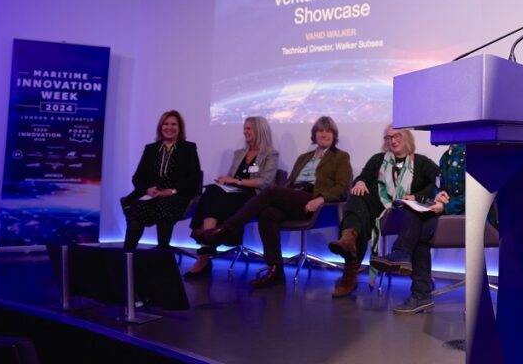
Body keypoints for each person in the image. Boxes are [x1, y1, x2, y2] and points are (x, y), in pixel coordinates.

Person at [194, 116, 352, 288]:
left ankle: (224, 229)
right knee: (267, 214)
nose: (324, 134)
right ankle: (275, 269)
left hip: (315, 200)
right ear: (314, 134)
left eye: (328, 131)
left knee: (271, 190)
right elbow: (291, 183)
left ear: (334, 135)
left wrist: (320, 199)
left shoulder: (341, 157)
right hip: (295, 196)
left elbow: (342, 187)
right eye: (320, 130)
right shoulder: (304, 157)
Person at [328, 125, 439, 298]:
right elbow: (362, 177)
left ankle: (350, 272)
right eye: (388, 138)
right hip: (375, 209)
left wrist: (417, 196)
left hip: (404, 213)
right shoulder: (378, 159)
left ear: (407, 137)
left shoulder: (421, 162)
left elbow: (438, 181)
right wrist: (359, 182)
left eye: (397, 136)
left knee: (360, 213)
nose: (392, 141)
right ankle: (349, 238)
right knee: (358, 197)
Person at [371, 143, 467, 314]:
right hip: (450, 211)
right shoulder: (446, 156)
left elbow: (479, 191)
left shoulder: (473, 153)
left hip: (472, 215)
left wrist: (446, 207)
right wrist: (439, 195)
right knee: (411, 209)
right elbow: (440, 186)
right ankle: (402, 255)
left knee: (420, 234)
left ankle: (420, 293)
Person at [183, 116, 279, 279]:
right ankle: (208, 243)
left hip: (252, 197)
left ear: (259, 131)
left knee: (213, 195)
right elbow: (231, 176)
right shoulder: (240, 153)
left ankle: (204, 253)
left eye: (249, 128)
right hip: (232, 193)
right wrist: (226, 181)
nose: (245, 131)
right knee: (212, 191)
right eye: (244, 128)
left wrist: (236, 181)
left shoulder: (270, 154)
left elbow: (265, 182)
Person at [121, 110, 201, 252]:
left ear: (180, 128)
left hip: (177, 195)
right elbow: (137, 177)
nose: (169, 127)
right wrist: (147, 189)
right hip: (152, 195)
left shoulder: (188, 148)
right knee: (137, 211)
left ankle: (162, 256)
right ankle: (127, 256)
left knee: (164, 209)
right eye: (166, 124)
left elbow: (194, 179)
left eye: (174, 124)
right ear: (160, 127)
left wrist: (172, 191)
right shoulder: (151, 149)